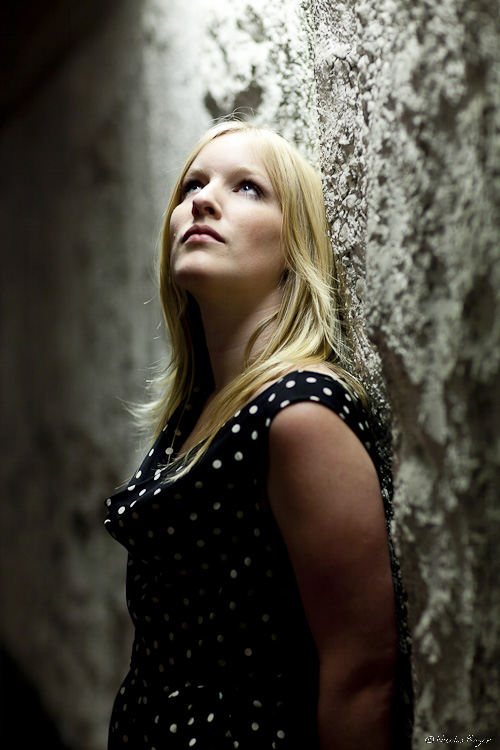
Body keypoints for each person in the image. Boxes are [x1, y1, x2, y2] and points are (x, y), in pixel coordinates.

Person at [104, 119, 413, 750]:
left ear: (295, 243)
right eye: (192, 183)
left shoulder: (299, 415)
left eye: (248, 188)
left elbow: (362, 677)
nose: (202, 200)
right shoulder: (202, 408)